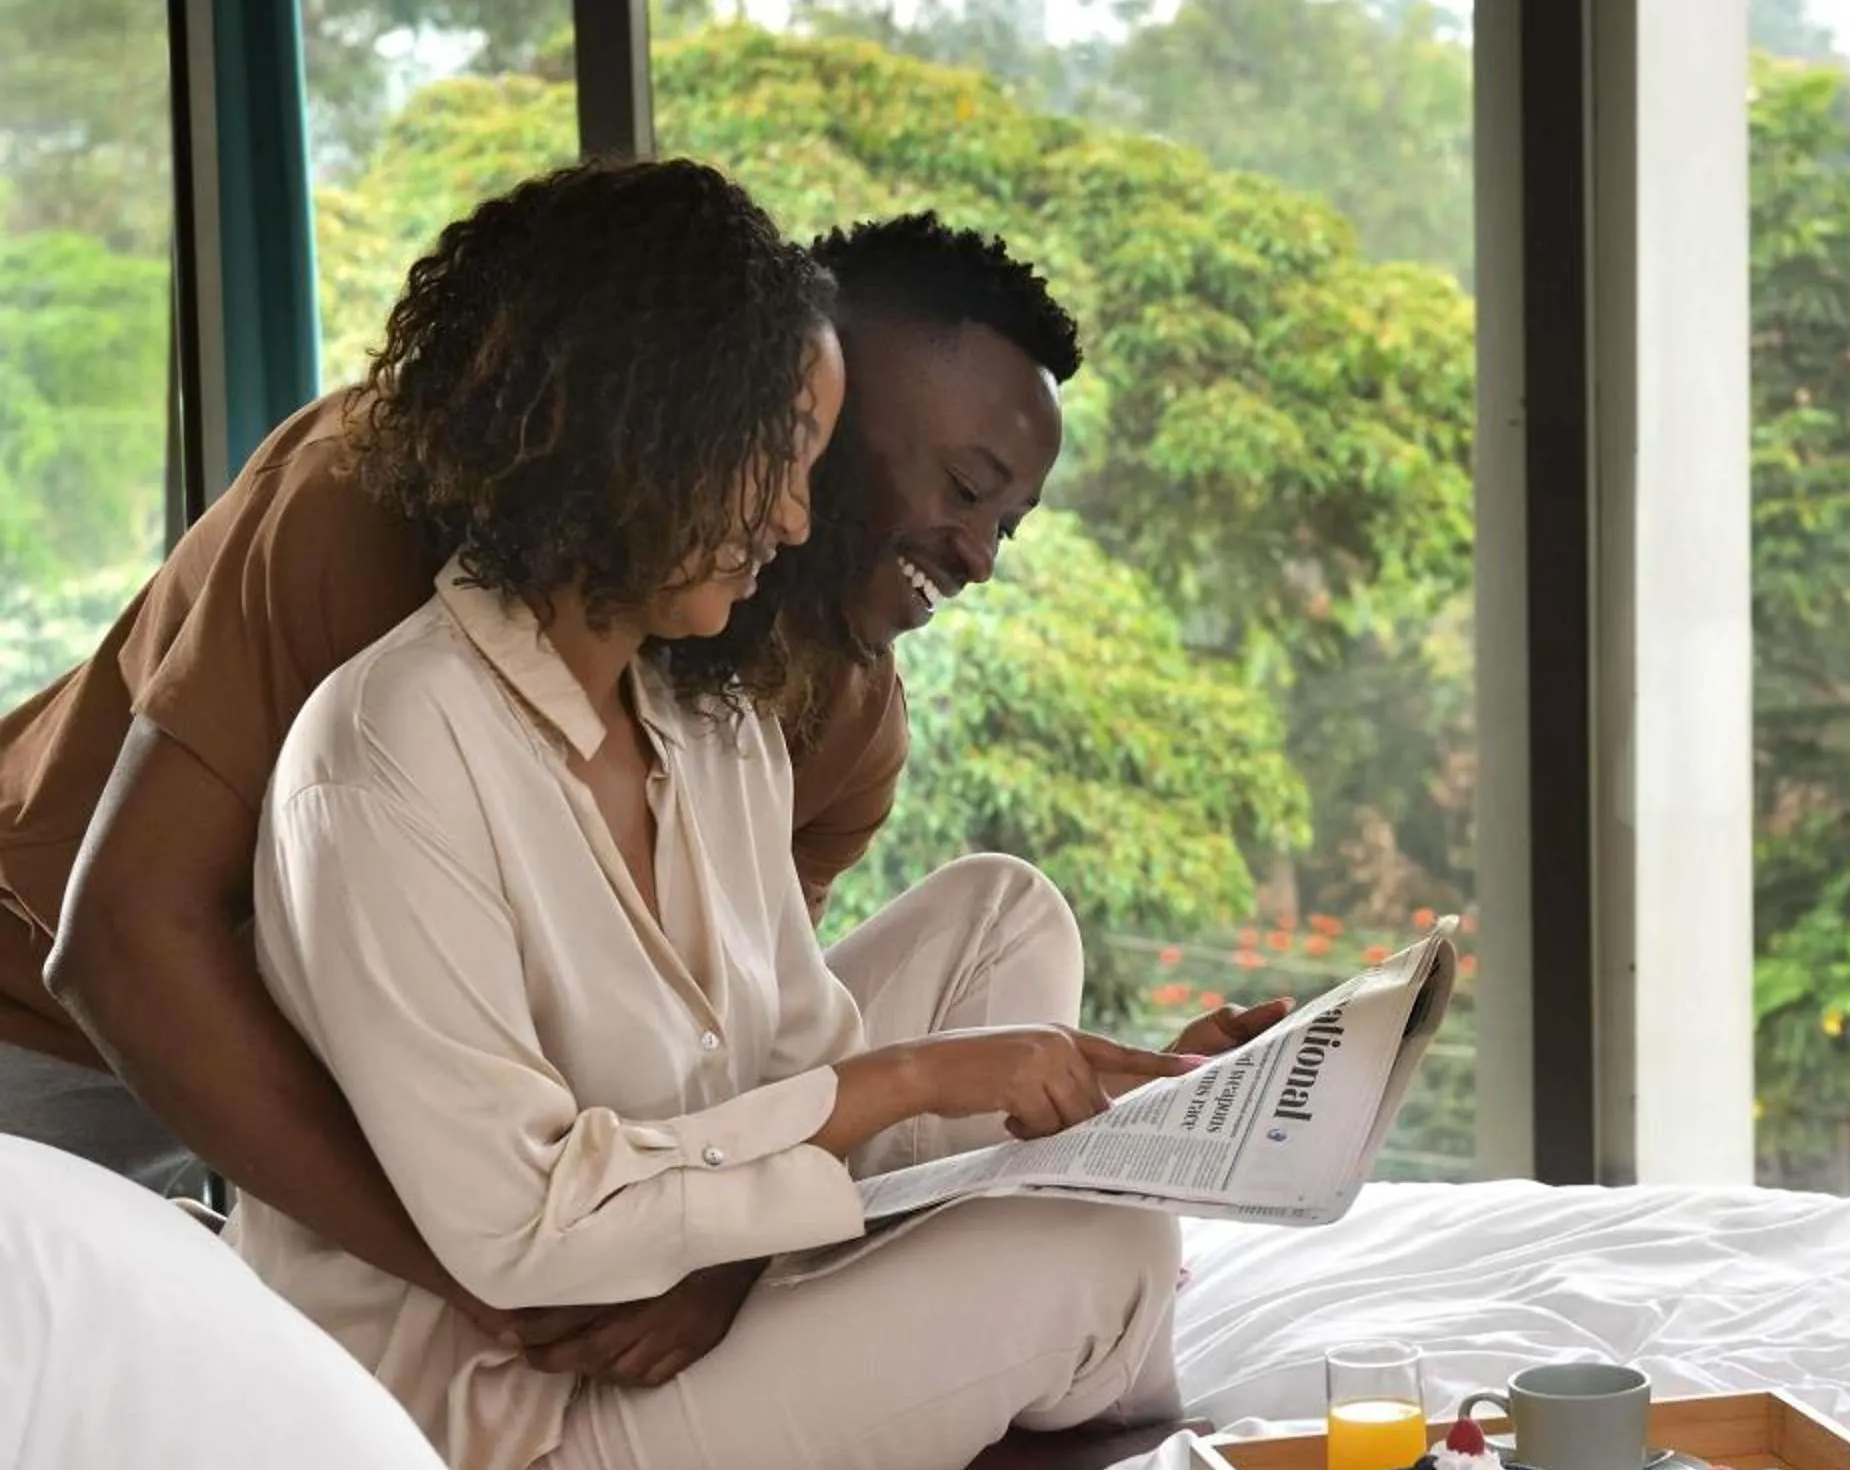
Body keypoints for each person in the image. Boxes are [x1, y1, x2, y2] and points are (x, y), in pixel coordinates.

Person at [0, 189, 1280, 1391]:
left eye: (1013, 522)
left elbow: (718, 1056)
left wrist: (716, 1260)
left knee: (1005, 916)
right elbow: (124, 946)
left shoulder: (819, 702)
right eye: (963, 489)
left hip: (423, 1105)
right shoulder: (375, 502)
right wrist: (491, 1274)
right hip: (55, 1008)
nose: (980, 556)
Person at [229, 157, 1193, 1470]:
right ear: (644, 427)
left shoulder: (709, 715)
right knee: (1097, 1253)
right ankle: (1027, 1374)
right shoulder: (387, 753)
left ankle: (989, 1348)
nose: (797, 519)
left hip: (691, 1278)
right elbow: (520, 1232)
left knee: (1000, 912)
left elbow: (789, 1062)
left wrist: (1121, 1103)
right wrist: (916, 1081)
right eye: (778, 459)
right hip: (508, 1415)